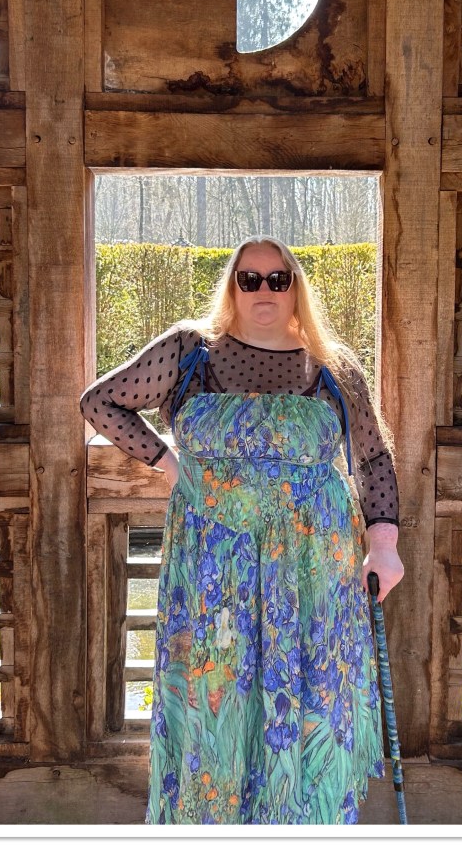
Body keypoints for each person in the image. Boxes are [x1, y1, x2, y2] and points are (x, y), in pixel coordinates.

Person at [80, 236, 404, 825]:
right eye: (249, 278)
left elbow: (373, 459)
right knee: (215, 696)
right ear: (231, 286)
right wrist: (170, 463)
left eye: (278, 279)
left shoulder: (332, 367)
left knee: (310, 696)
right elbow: (101, 402)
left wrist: (383, 545)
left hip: (312, 565)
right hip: (213, 564)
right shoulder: (189, 353)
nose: (263, 290)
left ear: (296, 288)